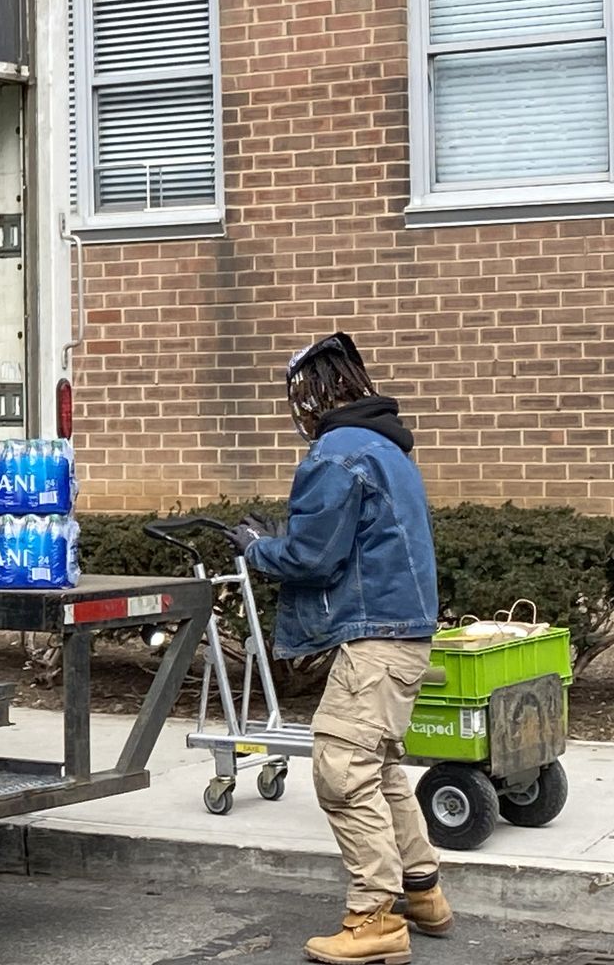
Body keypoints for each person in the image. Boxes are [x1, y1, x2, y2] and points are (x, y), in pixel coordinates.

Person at [232, 332, 452, 965]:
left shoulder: (338, 451)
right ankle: (423, 891)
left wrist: (255, 548)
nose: (296, 413)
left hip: (375, 639)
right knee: (378, 767)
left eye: (296, 399)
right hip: (401, 634)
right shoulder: (384, 444)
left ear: (313, 394)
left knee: (340, 769)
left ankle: (374, 920)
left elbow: (311, 556)